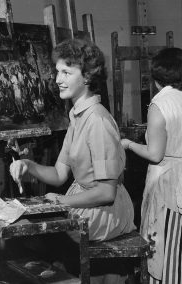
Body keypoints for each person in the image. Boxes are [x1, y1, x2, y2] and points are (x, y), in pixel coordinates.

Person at [10, 38, 136, 282]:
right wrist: (29, 165)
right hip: (85, 204)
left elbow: (106, 193)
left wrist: (62, 201)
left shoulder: (97, 121)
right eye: (58, 72)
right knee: (25, 235)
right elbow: (59, 174)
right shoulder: (77, 116)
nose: (58, 79)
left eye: (66, 72)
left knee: (32, 239)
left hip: (104, 211)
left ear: (87, 76)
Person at [121, 47, 182, 283]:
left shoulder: (160, 104)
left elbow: (155, 154)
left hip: (169, 184)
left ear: (155, 79)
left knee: (164, 252)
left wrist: (128, 144)